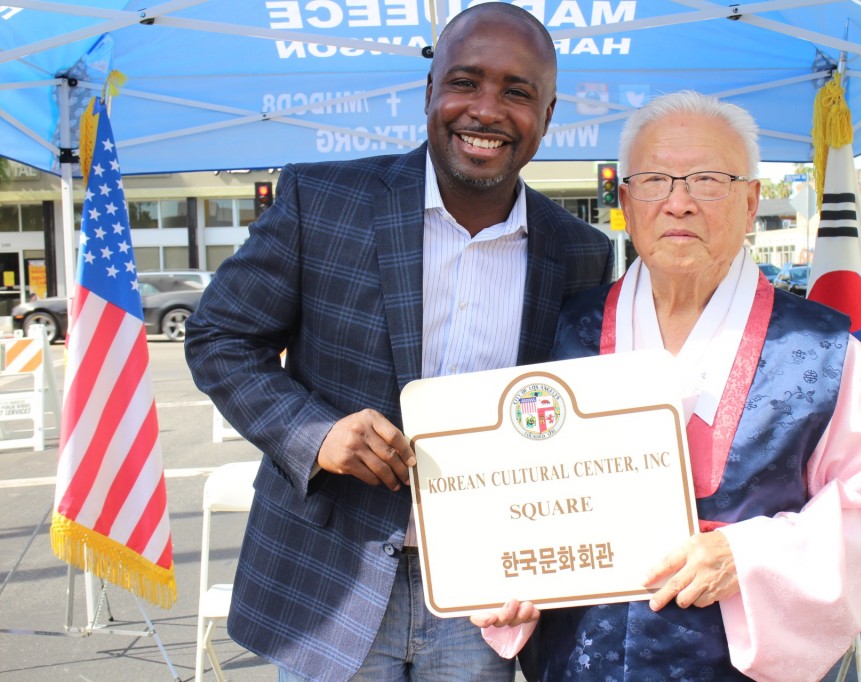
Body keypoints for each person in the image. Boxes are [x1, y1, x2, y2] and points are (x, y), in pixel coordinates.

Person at [184, 4, 613, 681]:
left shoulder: (584, 253)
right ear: (429, 93)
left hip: (486, 599)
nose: (486, 110)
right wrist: (315, 434)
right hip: (330, 581)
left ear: (549, 114)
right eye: (466, 82)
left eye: (517, 91)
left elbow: (572, 421)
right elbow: (219, 335)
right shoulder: (321, 200)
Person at [474, 91, 861, 681]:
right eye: (654, 180)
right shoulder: (557, 333)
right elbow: (500, 485)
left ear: (751, 200)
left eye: (708, 180)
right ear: (626, 199)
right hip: (577, 658)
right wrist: (503, 571)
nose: (678, 203)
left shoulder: (823, 353)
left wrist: (749, 557)